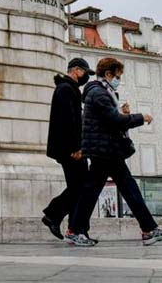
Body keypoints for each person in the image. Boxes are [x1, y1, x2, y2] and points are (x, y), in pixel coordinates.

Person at [66, 57, 162, 247]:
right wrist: (141, 117)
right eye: (118, 76)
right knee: (112, 190)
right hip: (105, 149)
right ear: (108, 74)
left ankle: (148, 229)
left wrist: (123, 113)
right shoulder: (99, 93)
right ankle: (76, 230)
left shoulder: (103, 92)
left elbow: (111, 118)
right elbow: (114, 120)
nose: (118, 80)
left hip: (107, 149)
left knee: (114, 189)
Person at [41, 58, 94, 241]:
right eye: (86, 72)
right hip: (71, 149)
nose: (87, 76)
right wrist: (76, 147)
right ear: (77, 70)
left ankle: (73, 227)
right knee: (81, 186)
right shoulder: (66, 89)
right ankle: (55, 216)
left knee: (78, 187)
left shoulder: (69, 89)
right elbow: (68, 120)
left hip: (71, 147)